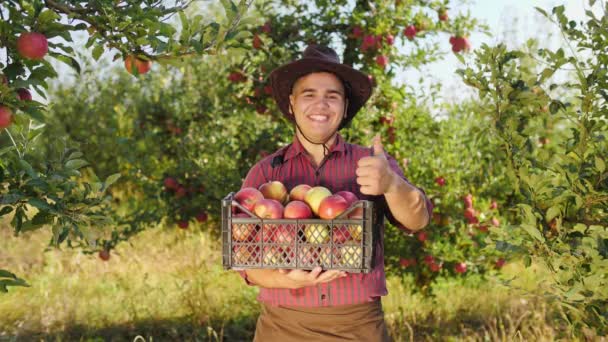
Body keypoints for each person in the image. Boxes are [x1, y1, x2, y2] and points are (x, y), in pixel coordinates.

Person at [237, 44, 432, 342]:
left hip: (358, 329)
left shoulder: (372, 165)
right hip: (282, 329)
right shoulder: (265, 174)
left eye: (332, 96)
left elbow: (418, 219)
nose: (321, 105)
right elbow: (244, 258)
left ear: (344, 108)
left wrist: (392, 184)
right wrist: (282, 279)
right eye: (309, 95)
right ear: (291, 104)